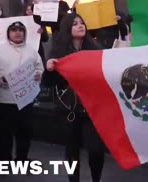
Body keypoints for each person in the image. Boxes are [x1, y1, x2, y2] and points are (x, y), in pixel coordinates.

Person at [45, 13, 105, 182]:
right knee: (72, 150)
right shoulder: (58, 52)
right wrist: (50, 69)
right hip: (69, 109)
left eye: (82, 23)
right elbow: (49, 83)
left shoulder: (95, 50)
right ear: (67, 29)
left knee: (96, 149)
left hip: (92, 108)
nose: (80, 26)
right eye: (75, 24)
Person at [0, 21, 44, 161]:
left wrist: (38, 74)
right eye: (13, 30)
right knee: (4, 133)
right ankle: (4, 160)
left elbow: (39, 67)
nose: (17, 32)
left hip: (26, 100)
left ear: (24, 33)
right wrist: (0, 79)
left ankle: (22, 159)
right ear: (8, 33)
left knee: (25, 132)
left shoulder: (32, 50)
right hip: (4, 99)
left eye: (20, 30)